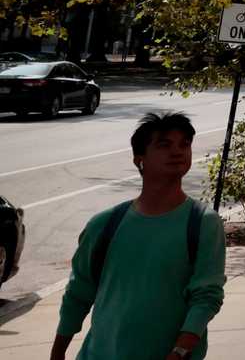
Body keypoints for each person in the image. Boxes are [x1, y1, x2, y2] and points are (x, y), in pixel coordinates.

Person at [53, 111, 224, 360]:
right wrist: (57, 352)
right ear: (139, 159)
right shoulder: (104, 224)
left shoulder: (203, 223)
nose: (177, 152)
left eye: (184, 144)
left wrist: (179, 351)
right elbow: (78, 293)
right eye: (164, 145)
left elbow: (206, 296)